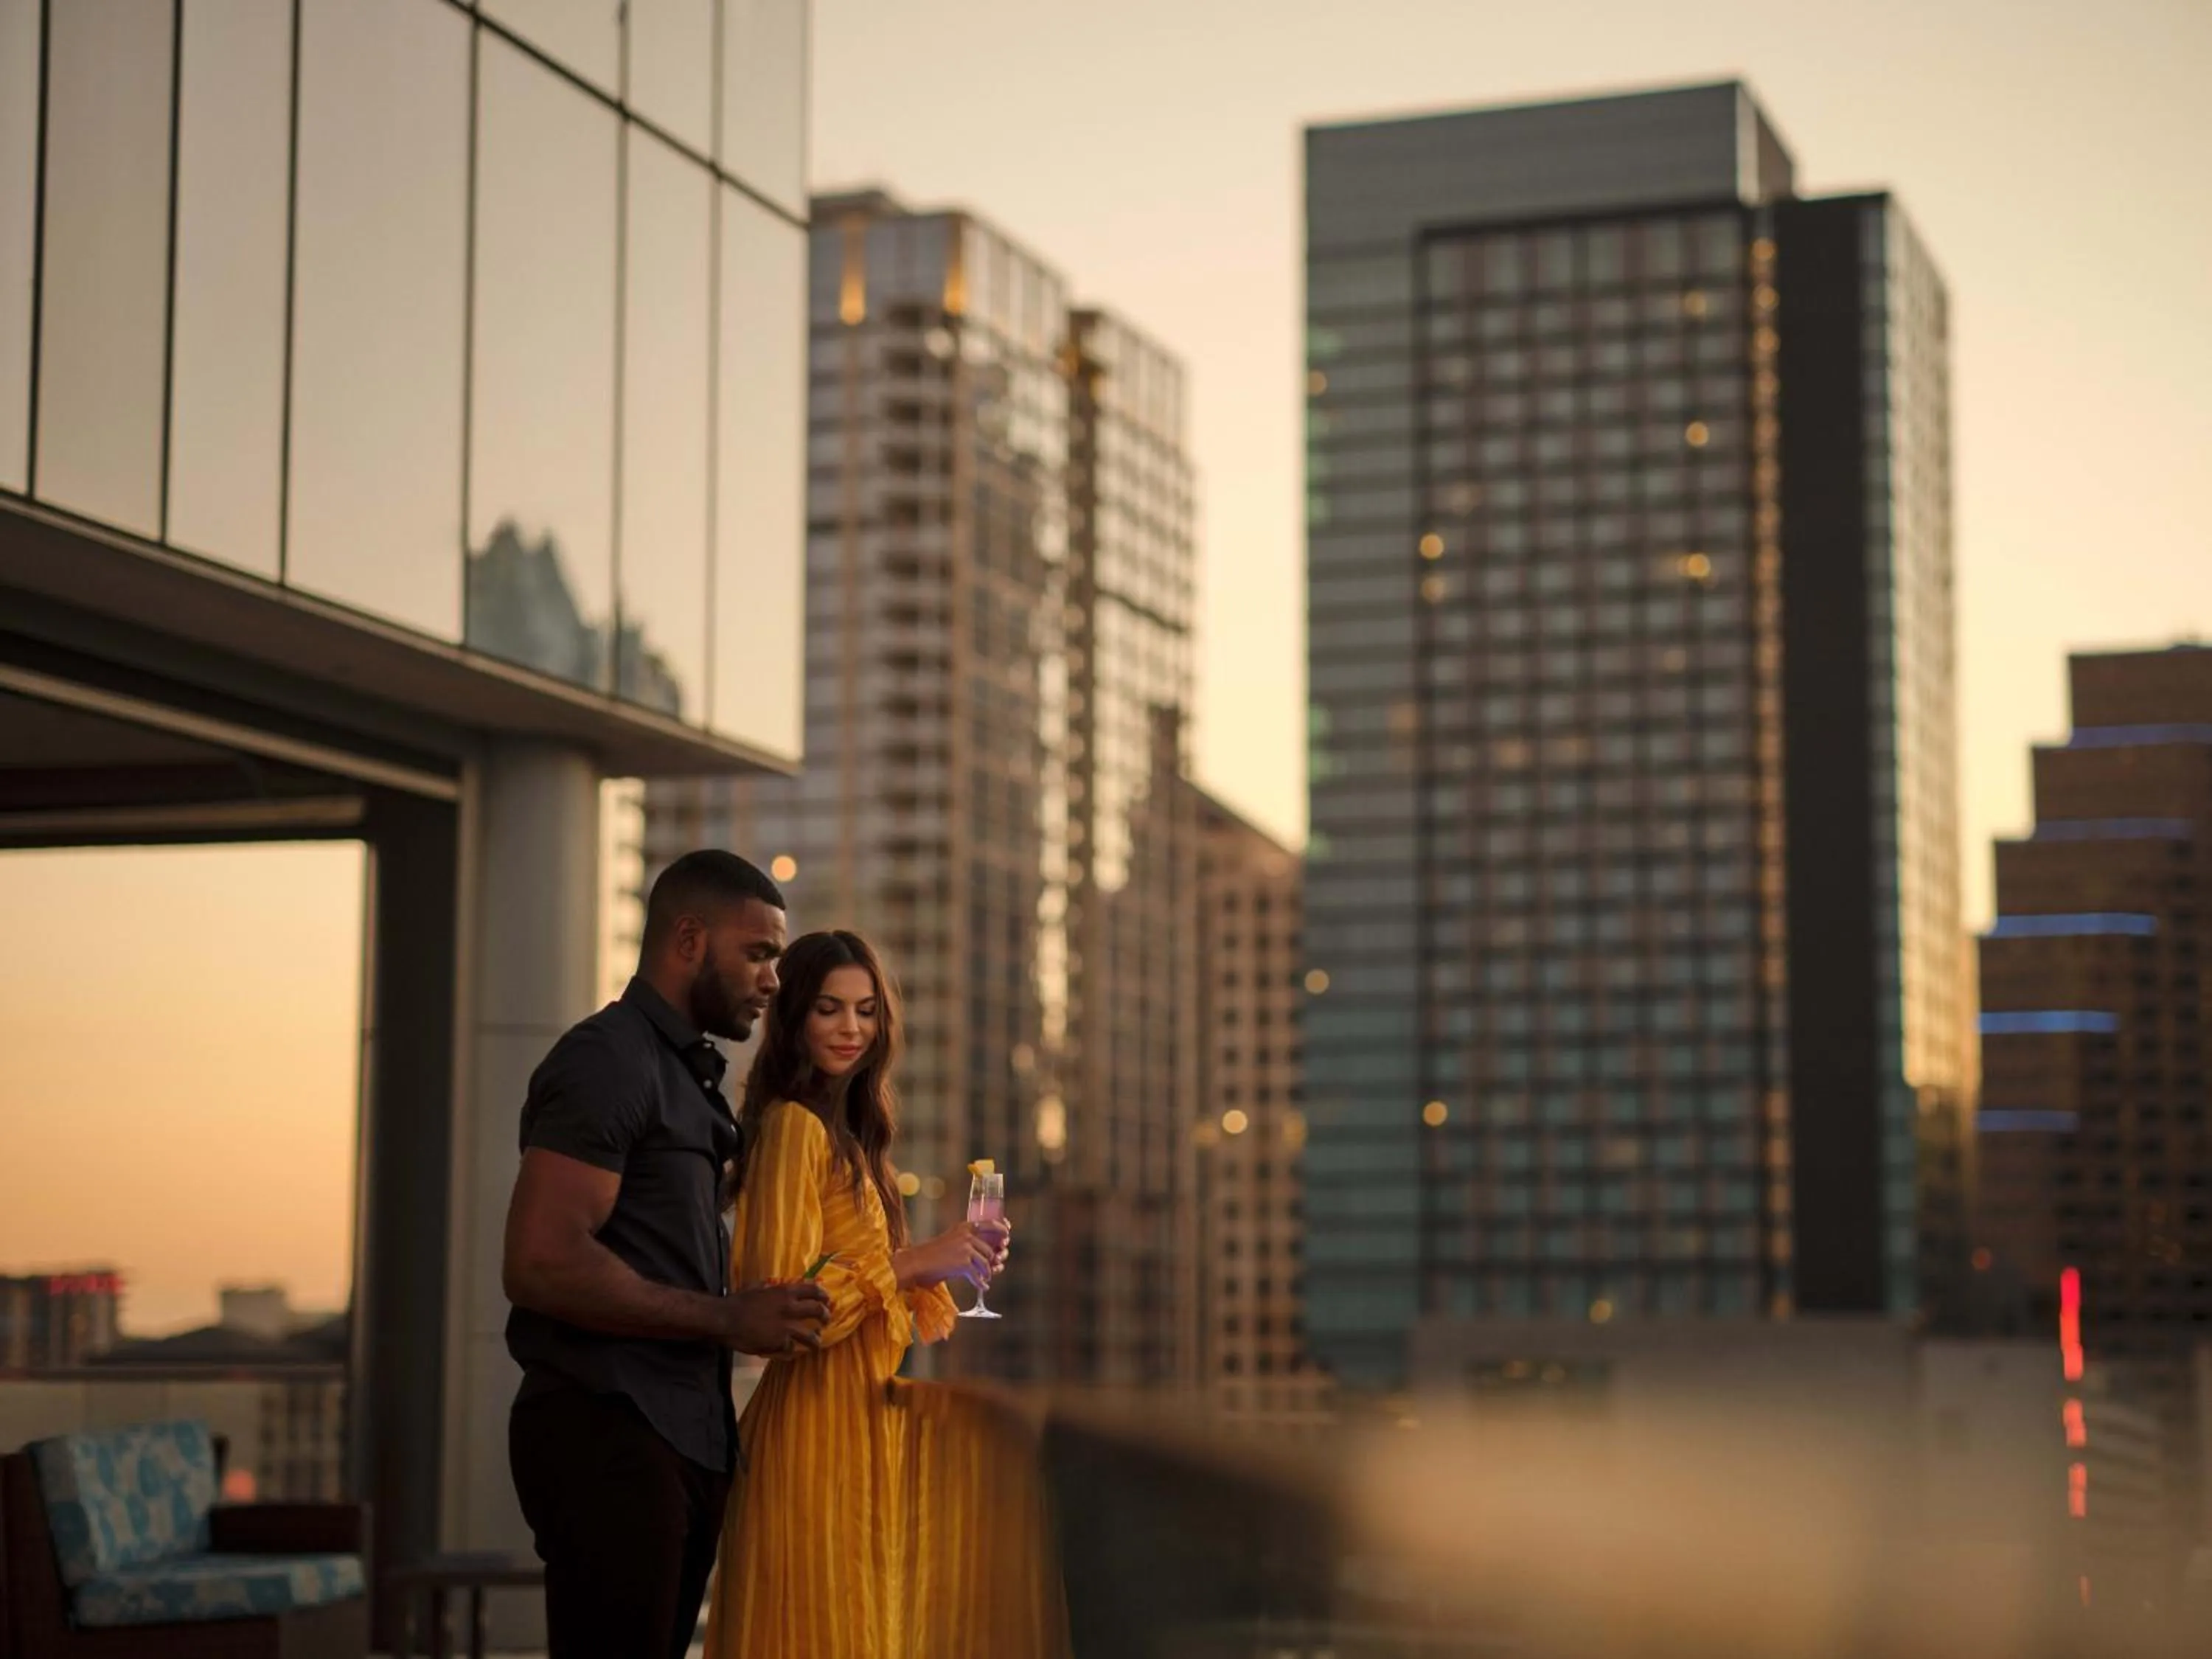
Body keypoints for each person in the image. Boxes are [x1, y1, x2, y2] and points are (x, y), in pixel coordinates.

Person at [503, 850, 832, 1659]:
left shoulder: (688, 1080)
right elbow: (540, 1261)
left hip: (677, 1437)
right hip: (609, 1431)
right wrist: (728, 1318)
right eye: (758, 954)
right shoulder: (608, 1058)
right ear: (689, 939)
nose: (772, 980)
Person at [706, 930, 1064, 1659]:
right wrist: (905, 1264)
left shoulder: (850, 1139)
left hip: (866, 1430)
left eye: (866, 1011)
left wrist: (934, 1264)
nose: (850, 1029)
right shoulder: (791, 1130)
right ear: (795, 1017)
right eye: (830, 1009)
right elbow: (773, 1311)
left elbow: (867, 1302)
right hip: (811, 1436)